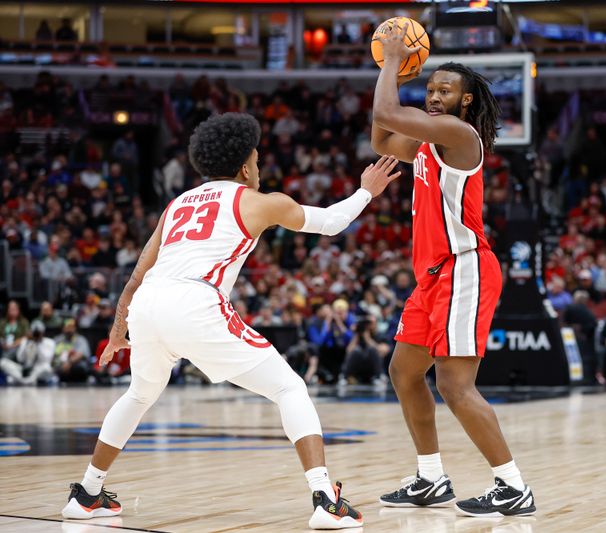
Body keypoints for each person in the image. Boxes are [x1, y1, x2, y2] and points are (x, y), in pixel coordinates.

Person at [61, 113, 401, 530]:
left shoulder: (177, 204)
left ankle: (88, 492)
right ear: (244, 166)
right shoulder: (258, 201)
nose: (259, 167)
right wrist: (366, 192)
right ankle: (325, 500)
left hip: (148, 303)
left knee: (139, 394)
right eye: (256, 160)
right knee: (289, 386)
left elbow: (135, 277)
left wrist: (118, 331)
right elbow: (331, 223)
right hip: (194, 300)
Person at [370, 25, 534, 517]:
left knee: (455, 385)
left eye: (446, 90)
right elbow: (380, 133)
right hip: (432, 277)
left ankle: (513, 486)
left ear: (466, 103)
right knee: (403, 372)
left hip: (465, 268)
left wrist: (389, 63)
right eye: (431, 87)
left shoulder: (459, 135)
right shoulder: (424, 140)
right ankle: (430, 478)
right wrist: (394, 73)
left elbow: (385, 112)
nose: (435, 95)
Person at [0, 320, 54, 385]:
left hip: (39, 369)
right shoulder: (26, 341)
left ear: (43, 332)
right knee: (3, 362)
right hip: (24, 369)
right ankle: (27, 381)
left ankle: (22, 381)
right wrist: (26, 343)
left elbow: (46, 359)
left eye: (38, 332)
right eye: (35, 332)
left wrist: (38, 343)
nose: (36, 334)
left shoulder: (50, 342)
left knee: (47, 368)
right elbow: (20, 358)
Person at [53, 319, 91, 383]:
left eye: (71, 327)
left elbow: (80, 354)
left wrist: (69, 362)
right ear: (63, 328)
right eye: (67, 327)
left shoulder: (81, 340)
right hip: (59, 365)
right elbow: (52, 354)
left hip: (75, 366)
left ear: (75, 328)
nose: (69, 330)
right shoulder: (57, 340)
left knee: (80, 367)